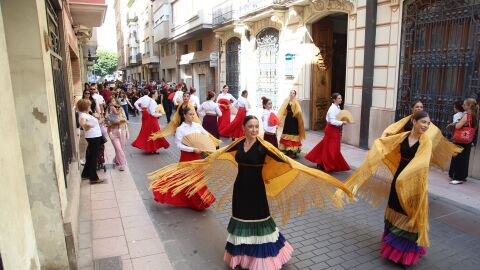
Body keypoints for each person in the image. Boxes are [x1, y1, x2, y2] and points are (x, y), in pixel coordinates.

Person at [149, 115, 353, 270]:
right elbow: (216, 154)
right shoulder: (237, 144)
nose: (255, 129)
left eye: (257, 126)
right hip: (240, 189)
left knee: (260, 220)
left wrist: (316, 175)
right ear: (243, 128)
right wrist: (197, 160)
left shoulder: (265, 146)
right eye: (251, 127)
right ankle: (243, 257)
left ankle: (262, 259)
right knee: (241, 219)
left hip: (257, 190)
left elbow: (289, 163)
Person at [340, 111, 433, 267]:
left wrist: (404, 179)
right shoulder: (403, 137)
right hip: (398, 180)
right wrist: (374, 154)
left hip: (413, 183)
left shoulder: (426, 142)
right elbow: (384, 143)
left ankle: (405, 254)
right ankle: (392, 247)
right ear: (414, 122)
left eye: (428, 123)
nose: (426, 126)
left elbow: (422, 163)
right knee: (395, 207)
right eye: (423, 122)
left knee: (407, 213)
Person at [153, 106, 216, 210]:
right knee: (185, 178)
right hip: (187, 156)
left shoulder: (197, 126)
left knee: (197, 179)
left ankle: (197, 201)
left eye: (193, 114)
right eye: (190, 114)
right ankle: (162, 191)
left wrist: (204, 144)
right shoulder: (180, 129)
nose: (192, 116)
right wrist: (192, 149)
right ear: (185, 115)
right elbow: (178, 145)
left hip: (198, 156)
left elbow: (207, 136)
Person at [381, 100, 462, 170]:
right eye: (417, 107)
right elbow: (395, 129)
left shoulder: (425, 121)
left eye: (421, 107)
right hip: (405, 147)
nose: (419, 108)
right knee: (401, 168)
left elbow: (433, 132)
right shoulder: (407, 120)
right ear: (412, 108)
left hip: (417, 148)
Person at [305, 93, 350, 172]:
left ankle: (322, 162)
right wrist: (342, 122)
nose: (341, 100)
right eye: (339, 98)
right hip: (331, 130)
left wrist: (342, 121)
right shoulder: (332, 108)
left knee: (330, 147)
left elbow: (337, 119)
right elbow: (332, 121)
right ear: (334, 99)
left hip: (335, 130)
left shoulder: (337, 107)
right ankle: (326, 164)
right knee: (330, 148)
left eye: (341, 98)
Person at [449, 98, 478, 184]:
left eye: (464, 105)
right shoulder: (475, 115)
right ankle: (462, 176)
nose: (463, 106)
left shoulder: (466, 115)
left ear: (469, 106)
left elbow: (458, 126)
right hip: (468, 140)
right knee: (465, 159)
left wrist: (456, 124)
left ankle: (457, 178)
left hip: (461, 140)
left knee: (458, 159)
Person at [77, 99, 105, 184]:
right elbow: (83, 123)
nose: (90, 107)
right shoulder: (83, 115)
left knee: (90, 156)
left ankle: (85, 174)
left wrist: (100, 121)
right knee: (93, 157)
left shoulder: (85, 114)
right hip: (93, 137)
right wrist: (86, 126)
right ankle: (93, 178)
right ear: (85, 106)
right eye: (89, 105)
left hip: (94, 136)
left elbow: (90, 123)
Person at [278, 90, 305, 158]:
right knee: (287, 132)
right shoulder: (286, 101)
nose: (292, 94)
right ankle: (286, 149)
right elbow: (283, 110)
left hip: (293, 120)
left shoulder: (296, 102)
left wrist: (296, 113)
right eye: (291, 93)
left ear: (295, 95)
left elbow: (299, 111)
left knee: (293, 133)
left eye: (293, 93)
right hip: (288, 120)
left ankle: (293, 151)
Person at [106, 98, 128, 171]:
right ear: (109, 103)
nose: (113, 103)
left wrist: (119, 120)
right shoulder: (108, 111)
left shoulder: (121, 109)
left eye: (114, 101)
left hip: (122, 130)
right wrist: (113, 122)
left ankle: (116, 160)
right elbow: (107, 122)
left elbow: (125, 119)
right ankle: (123, 164)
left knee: (121, 148)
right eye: (111, 101)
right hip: (112, 131)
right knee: (118, 148)